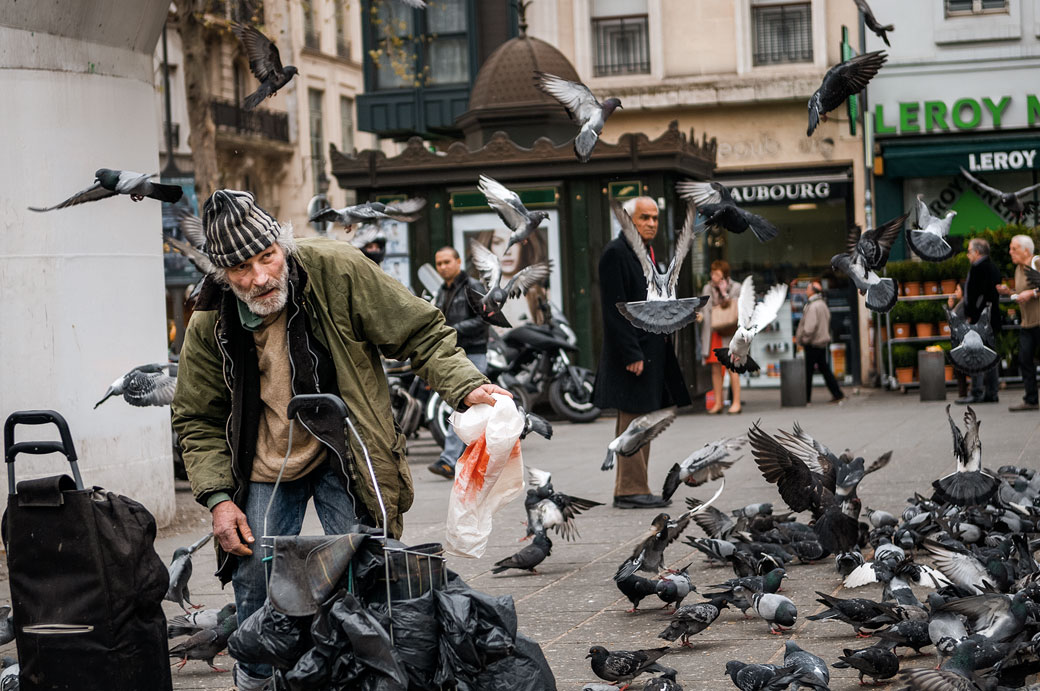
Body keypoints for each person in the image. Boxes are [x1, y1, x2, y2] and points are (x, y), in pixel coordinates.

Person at [171, 190, 508, 690]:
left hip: (347, 453)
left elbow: (419, 332)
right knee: (255, 581)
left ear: (282, 245)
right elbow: (197, 417)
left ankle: (377, 675)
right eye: (242, 268)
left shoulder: (339, 269)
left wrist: (462, 383)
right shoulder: (209, 322)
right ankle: (258, 683)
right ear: (222, 273)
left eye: (267, 256)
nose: (261, 277)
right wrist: (220, 500)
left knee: (369, 573)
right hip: (267, 463)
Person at [593, 196, 690, 509]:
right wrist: (631, 352)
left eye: (655, 218)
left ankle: (634, 487)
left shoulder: (645, 253)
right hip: (634, 354)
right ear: (628, 220)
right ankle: (629, 490)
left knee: (645, 421)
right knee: (634, 422)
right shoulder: (615, 253)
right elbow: (613, 310)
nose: (651, 224)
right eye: (644, 218)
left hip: (652, 351)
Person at [428, 246, 491, 479]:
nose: (443, 267)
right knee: (467, 409)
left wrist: (452, 330)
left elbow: (483, 320)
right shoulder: (443, 291)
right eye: (439, 263)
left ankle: (449, 459)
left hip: (473, 353)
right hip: (455, 354)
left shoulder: (472, 287)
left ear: (458, 261)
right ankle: (469, 461)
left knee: (463, 407)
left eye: (447, 262)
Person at [957, 237, 1002, 404]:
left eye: (969, 251)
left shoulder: (978, 269)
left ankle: (976, 392)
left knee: (975, 354)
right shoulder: (993, 267)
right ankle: (992, 392)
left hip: (979, 319)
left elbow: (976, 295)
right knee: (989, 355)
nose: (968, 255)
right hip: (992, 318)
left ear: (977, 252)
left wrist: (971, 315)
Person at [999, 235, 1040, 411]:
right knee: (1024, 359)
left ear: (1025, 250)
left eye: (1013, 248)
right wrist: (1010, 292)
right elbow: (1022, 293)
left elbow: (1031, 292)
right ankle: (1031, 400)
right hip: (1026, 323)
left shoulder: (1037, 262)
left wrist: (1032, 294)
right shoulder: (1018, 269)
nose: (1010, 252)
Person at [699, 260, 743, 414]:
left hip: (729, 332)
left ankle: (736, 402)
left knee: (732, 367)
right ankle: (718, 402)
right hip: (713, 332)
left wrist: (724, 293)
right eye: (712, 273)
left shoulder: (735, 287)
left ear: (724, 274)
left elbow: (736, 307)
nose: (714, 277)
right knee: (716, 369)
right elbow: (705, 308)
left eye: (717, 274)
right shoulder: (707, 287)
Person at [795, 281, 844, 404]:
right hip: (821, 341)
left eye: (807, 289)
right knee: (824, 369)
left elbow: (809, 327)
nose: (806, 291)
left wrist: (803, 339)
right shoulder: (822, 304)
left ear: (813, 291)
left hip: (813, 343)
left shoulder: (813, 306)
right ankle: (837, 393)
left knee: (808, 372)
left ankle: (806, 398)